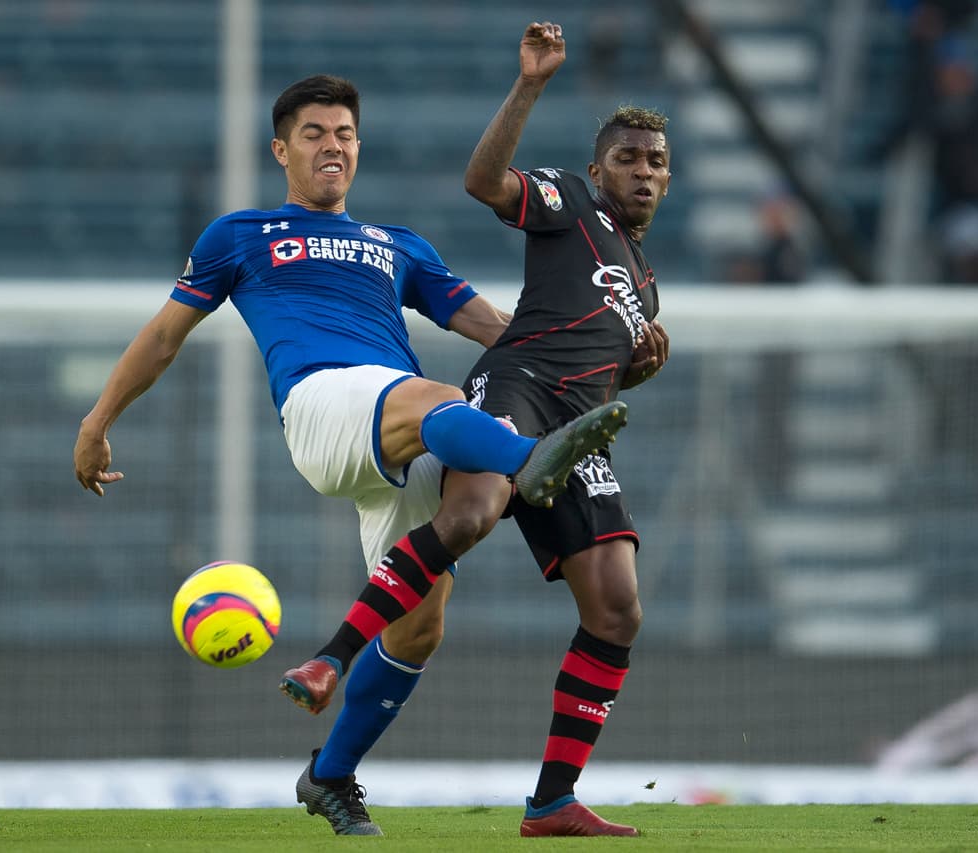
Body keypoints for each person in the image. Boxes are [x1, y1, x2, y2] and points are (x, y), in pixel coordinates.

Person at [72, 73, 630, 831]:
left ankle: (329, 774)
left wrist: (610, 356)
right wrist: (99, 419)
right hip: (326, 405)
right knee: (442, 399)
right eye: (313, 133)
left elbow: (501, 331)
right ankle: (528, 456)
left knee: (421, 624)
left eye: (343, 134)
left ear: (358, 149)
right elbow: (165, 335)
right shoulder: (240, 235)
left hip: (401, 431)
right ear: (281, 149)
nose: (331, 145)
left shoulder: (399, 246)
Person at [281, 22, 672, 838]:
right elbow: (483, 180)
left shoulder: (646, 286)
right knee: (468, 514)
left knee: (618, 607)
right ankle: (332, 655)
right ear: (600, 168)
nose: (642, 170)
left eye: (656, 162)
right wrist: (530, 84)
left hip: (578, 427)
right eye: (628, 158)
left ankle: (553, 800)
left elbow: (597, 361)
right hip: (514, 387)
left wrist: (638, 370)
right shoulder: (570, 200)